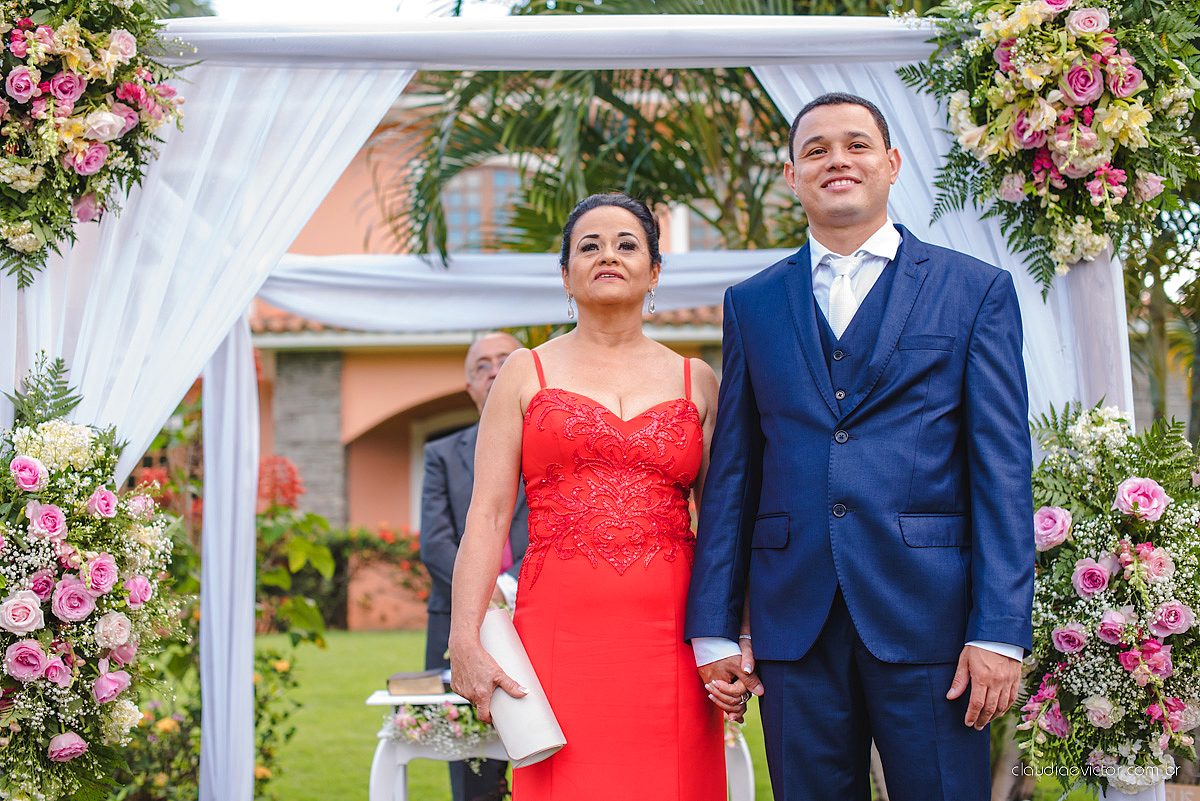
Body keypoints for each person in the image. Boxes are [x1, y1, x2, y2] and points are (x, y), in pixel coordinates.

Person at [684, 92, 1035, 800]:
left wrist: (1000, 630)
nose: (836, 159)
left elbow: (1000, 469)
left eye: (856, 144)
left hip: (932, 620)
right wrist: (715, 627)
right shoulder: (751, 302)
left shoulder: (974, 291)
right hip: (794, 622)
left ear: (892, 163)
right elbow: (734, 473)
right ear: (792, 175)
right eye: (815, 149)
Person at [448, 192, 736, 800]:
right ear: (565, 275)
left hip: (675, 636)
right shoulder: (524, 374)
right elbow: (488, 514)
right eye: (590, 246)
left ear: (655, 272)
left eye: (627, 244)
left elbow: (721, 525)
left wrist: (735, 634)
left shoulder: (698, 379)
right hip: (559, 631)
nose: (609, 255)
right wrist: (464, 639)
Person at [420, 331, 529, 801]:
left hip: (537, 613)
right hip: (457, 621)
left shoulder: (549, 446)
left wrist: (515, 585)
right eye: (482, 365)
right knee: (474, 764)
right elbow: (436, 541)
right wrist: (491, 590)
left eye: (506, 360)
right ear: (470, 387)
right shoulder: (441, 455)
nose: (494, 371)